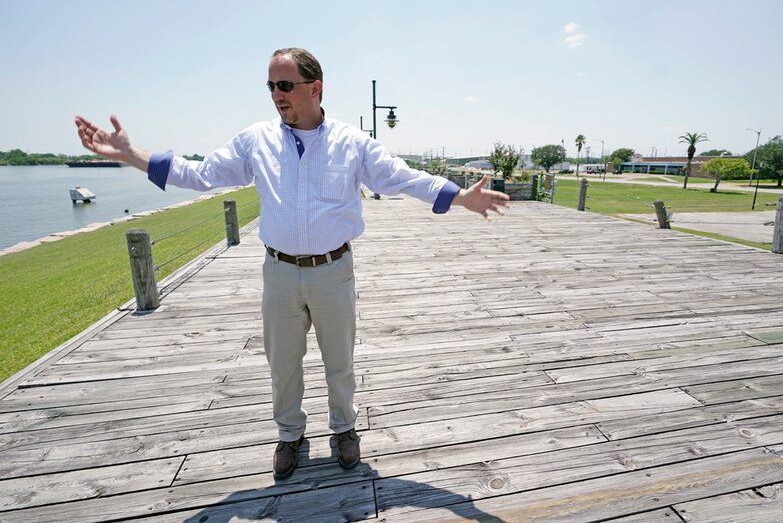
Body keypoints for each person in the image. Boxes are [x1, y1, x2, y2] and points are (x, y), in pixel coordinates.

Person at [75, 47, 510, 480]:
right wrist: (132, 155)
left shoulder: (351, 143)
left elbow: (403, 177)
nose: (276, 94)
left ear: (315, 88)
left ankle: (344, 429)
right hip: (279, 272)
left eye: (285, 85)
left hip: (333, 271)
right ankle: (290, 436)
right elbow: (199, 173)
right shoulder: (255, 141)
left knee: (339, 361)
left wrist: (459, 197)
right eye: (271, 86)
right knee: (282, 363)